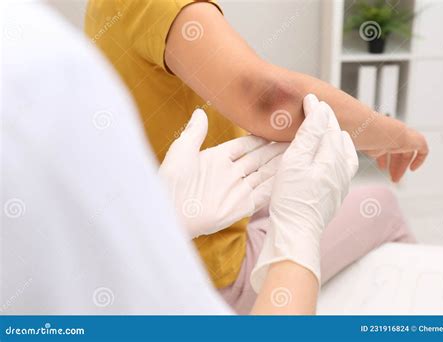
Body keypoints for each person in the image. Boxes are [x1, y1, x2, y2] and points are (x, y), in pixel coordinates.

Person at [2, 1, 356, 315]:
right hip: (218, 268)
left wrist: (159, 218)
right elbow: (270, 97)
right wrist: (298, 239)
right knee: (380, 204)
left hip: (189, 245)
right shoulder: (39, 62)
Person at [85, 0, 421, 313]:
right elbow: (270, 98)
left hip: (172, 228)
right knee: (383, 206)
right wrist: (394, 135)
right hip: (210, 274)